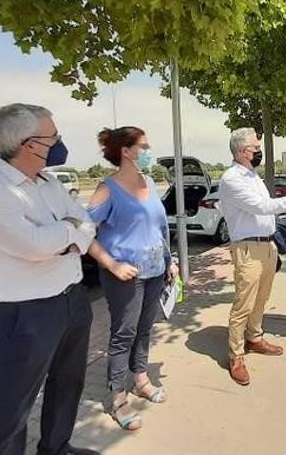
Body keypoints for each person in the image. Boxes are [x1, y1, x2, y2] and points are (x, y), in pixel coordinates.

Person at [0, 103, 98, 455]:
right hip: (25, 313)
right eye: (53, 135)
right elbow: (33, 246)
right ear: (28, 144)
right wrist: (68, 233)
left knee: (68, 382)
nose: (59, 141)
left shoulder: (49, 183)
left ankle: (56, 447)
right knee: (12, 406)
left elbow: (87, 225)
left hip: (71, 300)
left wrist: (64, 236)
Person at [85, 127, 178, 430]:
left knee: (144, 329)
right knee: (123, 335)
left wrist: (169, 260)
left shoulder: (149, 182)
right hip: (126, 276)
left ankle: (140, 379)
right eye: (144, 146)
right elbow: (82, 233)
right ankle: (118, 396)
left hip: (154, 272)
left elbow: (159, 227)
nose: (149, 150)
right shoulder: (107, 189)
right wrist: (112, 264)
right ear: (126, 151)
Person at [219, 128, 286, 385]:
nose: (259, 152)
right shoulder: (232, 179)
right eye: (255, 148)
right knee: (243, 304)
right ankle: (236, 355)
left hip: (267, 247)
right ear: (241, 151)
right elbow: (260, 206)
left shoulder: (252, 176)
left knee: (261, 298)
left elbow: (267, 207)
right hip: (248, 249)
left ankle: (255, 337)